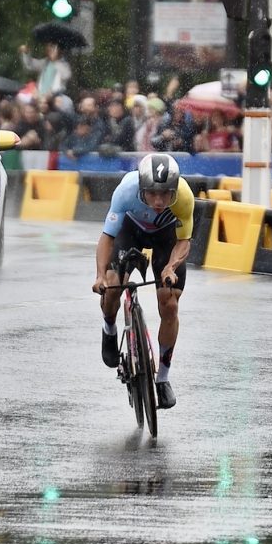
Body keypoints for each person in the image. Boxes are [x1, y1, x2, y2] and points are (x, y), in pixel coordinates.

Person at [93, 154, 195, 410]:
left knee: (169, 304)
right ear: (141, 188)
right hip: (131, 230)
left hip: (166, 237)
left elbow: (184, 241)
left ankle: (162, 378)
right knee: (113, 286)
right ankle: (109, 329)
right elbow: (107, 237)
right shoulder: (126, 190)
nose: (159, 201)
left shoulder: (184, 196)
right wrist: (99, 276)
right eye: (152, 194)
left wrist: (170, 267)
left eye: (165, 194)